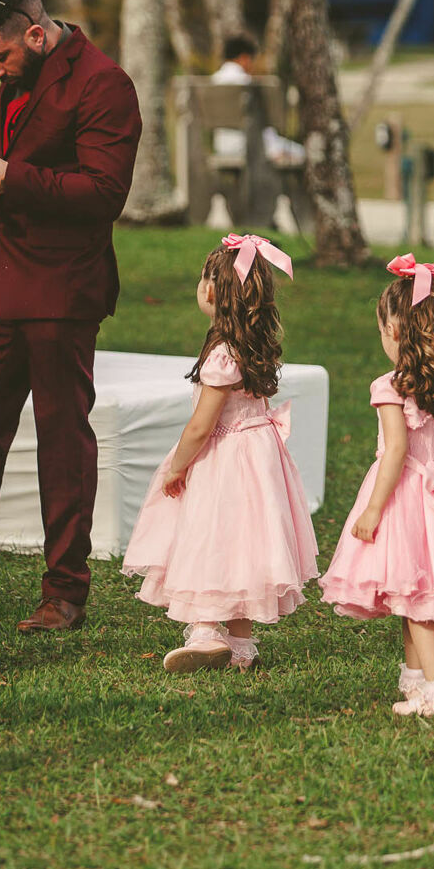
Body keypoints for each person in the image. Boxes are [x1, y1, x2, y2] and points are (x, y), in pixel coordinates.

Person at [0, 0, 142, 633]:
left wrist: (12, 177)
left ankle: (65, 594)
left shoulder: (104, 84)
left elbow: (104, 191)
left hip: (63, 290)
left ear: (35, 33)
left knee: (64, 442)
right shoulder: (20, 71)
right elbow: (26, 145)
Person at [320, 254, 434, 719]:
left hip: (405, 499)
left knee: (420, 604)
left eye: (383, 329)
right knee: (410, 596)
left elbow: (397, 452)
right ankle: (417, 688)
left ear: (397, 332)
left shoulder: (392, 386)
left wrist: (372, 510)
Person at [123, 233, 318, 672]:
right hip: (259, 456)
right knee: (245, 542)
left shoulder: (221, 357)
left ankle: (208, 631)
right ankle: (241, 645)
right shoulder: (254, 345)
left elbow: (201, 426)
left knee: (212, 537)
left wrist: (177, 467)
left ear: (212, 291)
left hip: (224, 457)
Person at [211, 30, 304, 168]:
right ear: (244, 58)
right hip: (249, 145)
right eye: (251, 60)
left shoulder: (214, 81)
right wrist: (275, 148)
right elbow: (263, 124)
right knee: (304, 154)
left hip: (223, 146)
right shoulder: (246, 83)